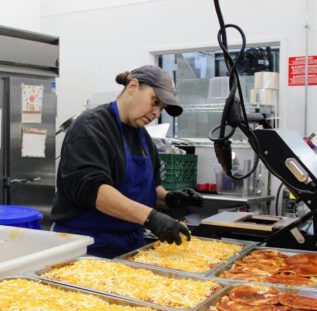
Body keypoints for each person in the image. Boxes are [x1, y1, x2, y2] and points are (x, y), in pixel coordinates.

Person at [51, 65, 204, 258]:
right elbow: (94, 191)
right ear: (133, 87)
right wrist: (151, 218)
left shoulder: (143, 138)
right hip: (85, 248)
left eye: (161, 108)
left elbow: (149, 188)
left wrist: (169, 199)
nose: (156, 113)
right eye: (154, 102)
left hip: (128, 248)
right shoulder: (91, 127)